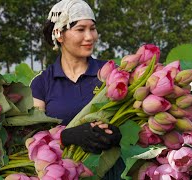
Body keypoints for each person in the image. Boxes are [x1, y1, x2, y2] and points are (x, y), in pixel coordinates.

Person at [30, 0, 124, 179]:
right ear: (59, 34)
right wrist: (68, 136)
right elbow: (35, 137)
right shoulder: (42, 83)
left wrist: (118, 133)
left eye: (93, 28)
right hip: (62, 173)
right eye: (81, 30)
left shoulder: (111, 73)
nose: (90, 37)